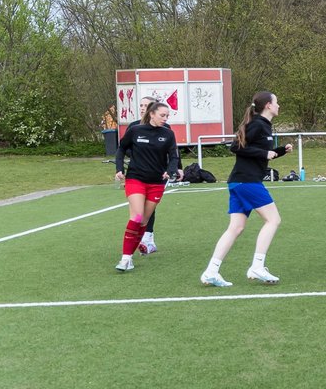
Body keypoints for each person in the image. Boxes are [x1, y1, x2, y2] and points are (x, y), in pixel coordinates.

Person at [199, 91, 293, 287]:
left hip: (239, 182)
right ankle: (257, 266)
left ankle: (211, 271)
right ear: (268, 105)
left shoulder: (264, 125)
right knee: (273, 219)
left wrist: (281, 151)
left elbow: (261, 154)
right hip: (247, 181)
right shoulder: (258, 124)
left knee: (236, 228)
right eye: (277, 102)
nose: (279, 105)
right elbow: (236, 147)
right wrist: (263, 152)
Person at [113, 99, 181, 272]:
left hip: (157, 182)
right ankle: (125, 258)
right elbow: (121, 149)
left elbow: (173, 156)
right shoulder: (135, 130)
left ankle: (130, 255)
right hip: (136, 178)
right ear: (151, 114)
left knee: (143, 222)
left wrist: (171, 170)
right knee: (136, 217)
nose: (165, 118)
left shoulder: (168, 134)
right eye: (162, 115)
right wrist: (119, 169)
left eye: (167, 115)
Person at [133, 95, 182, 255]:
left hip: (158, 173)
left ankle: (148, 238)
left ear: (153, 110)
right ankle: (135, 241)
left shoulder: (165, 129)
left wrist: (177, 168)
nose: (142, 108)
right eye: (141, 105)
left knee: (150, 206)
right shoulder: (134, 127)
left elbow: (173, 151)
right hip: (138, 173)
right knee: (137, 209)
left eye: (146, 105)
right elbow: (125, 148)